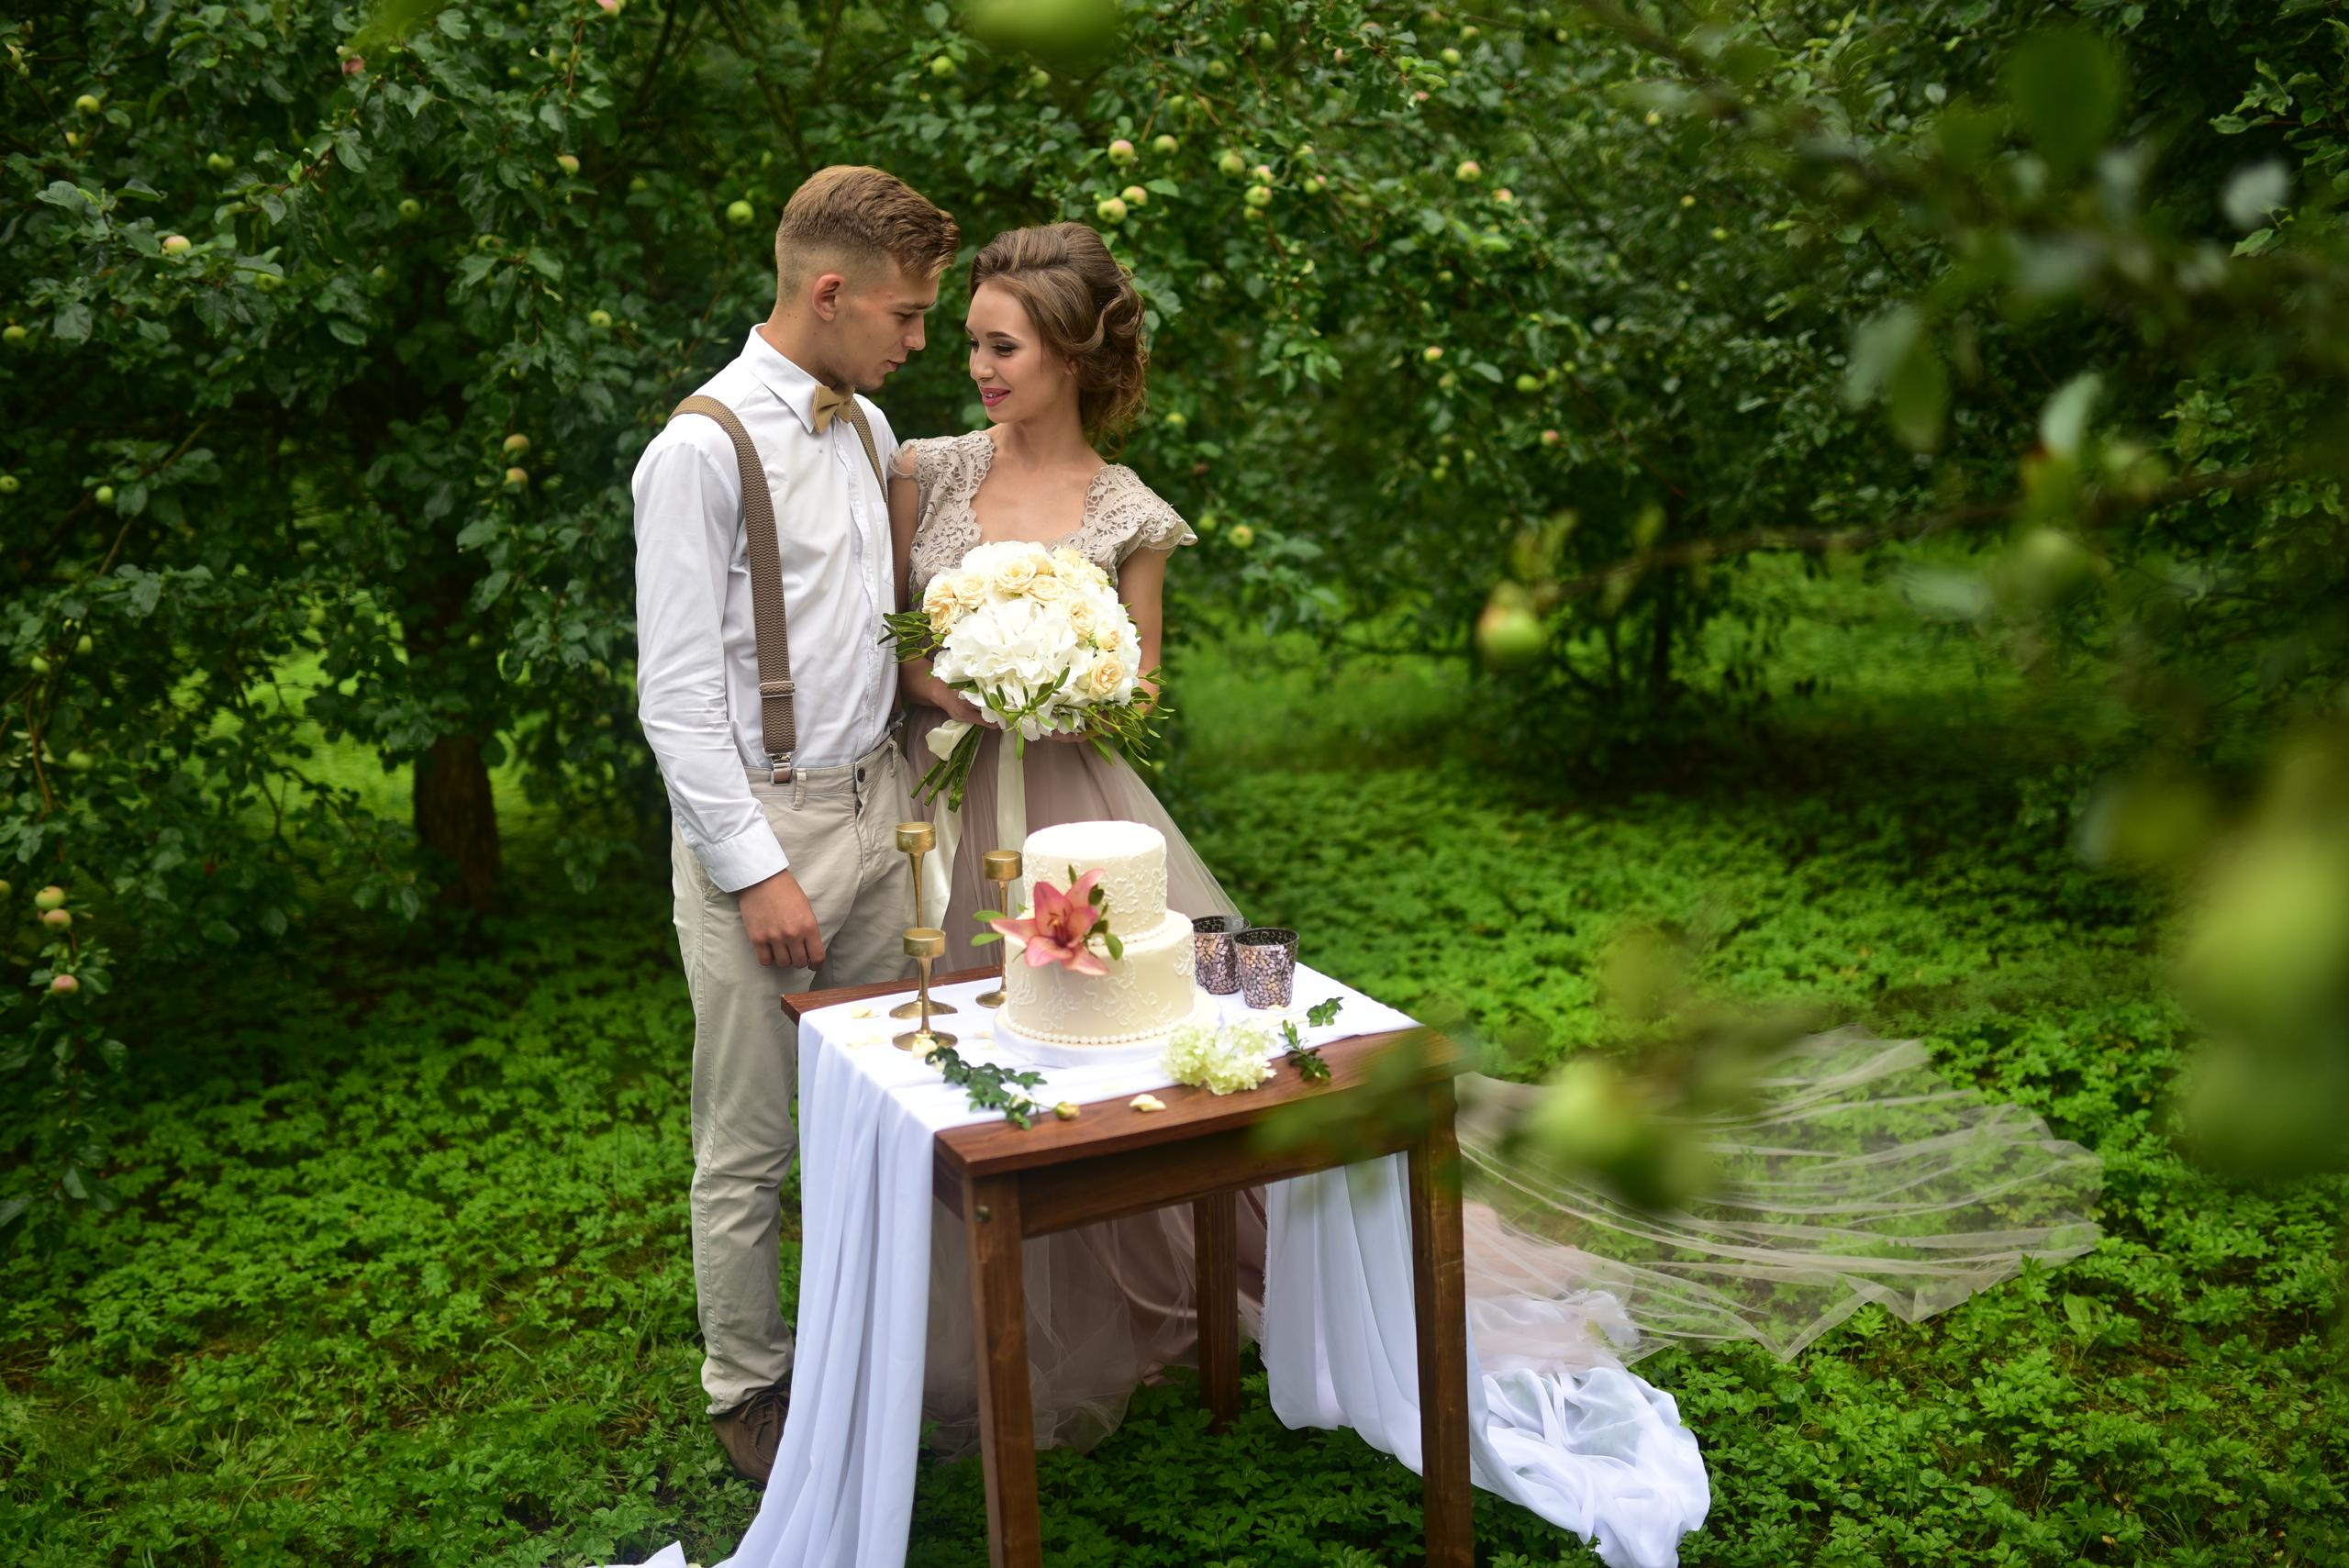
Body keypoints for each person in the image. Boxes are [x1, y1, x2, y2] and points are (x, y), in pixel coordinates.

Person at [886, 220, 2103, 1520]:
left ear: (1071, 353)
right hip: (948, 810)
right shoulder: (926, 469)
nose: (975, 366)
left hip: (1092, 810)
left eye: (999, 344)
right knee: (972, 1054)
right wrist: (974, 685)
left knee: (1168, 1040)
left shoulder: (1130, 511)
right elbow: (899, 646)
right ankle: (974, 1315)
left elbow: (1141, 680)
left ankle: (1171, 1273)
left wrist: (1065, 685)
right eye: (968, 342)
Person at [632, 164, 959, 1485]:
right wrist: (755, 873)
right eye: (907, 315)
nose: (919, 339)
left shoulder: (875, 436)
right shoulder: (699, 450)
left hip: (879, 814)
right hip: (758, 828)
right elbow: (674, 699)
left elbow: (862, 635)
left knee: (877, 1113)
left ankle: (862, 1356)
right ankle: (748, 1388)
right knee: (753, 1137)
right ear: (829, 293)